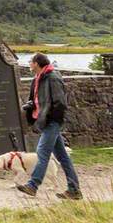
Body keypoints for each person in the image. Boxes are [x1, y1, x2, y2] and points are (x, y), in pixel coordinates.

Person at [17, 53, 82, 199]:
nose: (28, 63)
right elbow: (38, 100)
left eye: (30, 61)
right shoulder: (37, 79)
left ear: (37, 63)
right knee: (63, 157)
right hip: (45, 121)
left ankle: (33, 185)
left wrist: (53, 120)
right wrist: (30, 106)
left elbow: (60, 103)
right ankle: (74, 190)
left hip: (51, 121)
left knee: (42, 152)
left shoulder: (53, 77)